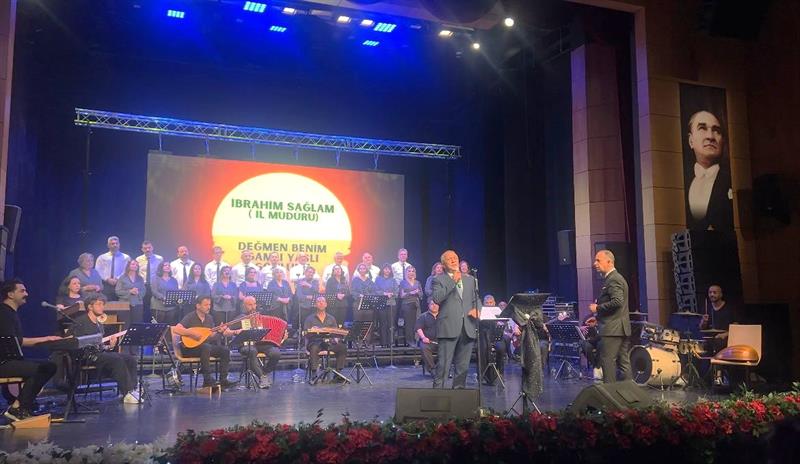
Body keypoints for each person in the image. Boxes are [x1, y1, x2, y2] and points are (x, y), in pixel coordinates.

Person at [0, 279, 60, 421]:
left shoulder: (10, 312)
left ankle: (20, 406)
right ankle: (18, 407)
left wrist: (47, 339)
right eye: (22, 291)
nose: (26, 294)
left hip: (9, 362)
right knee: (42, 369)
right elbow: (15, 341)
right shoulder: (4, 313)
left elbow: (18, 340)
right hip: (3, 363)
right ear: (10, 294)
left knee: (48, 366)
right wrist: (46, 339)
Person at [69, 293, 141, 404]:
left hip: (99, 354)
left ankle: (134, 389)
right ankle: (127, 392)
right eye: (99, 304)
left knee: (130, 358)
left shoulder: (99, 324)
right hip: (86, 356)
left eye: (103, 304)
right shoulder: (80, 322)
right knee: (116, 359)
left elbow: (100, 346)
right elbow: (75, 343)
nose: (102, 307)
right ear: (90, 307)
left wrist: (110, 346)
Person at [431, 250, 479, 389]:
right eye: (449, 259)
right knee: (443, 366)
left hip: (467, 326)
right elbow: (437, 298)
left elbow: (476, 299)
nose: (453, 260)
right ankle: (437, 395)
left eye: (455, 258)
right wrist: (453, 281)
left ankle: (458, 394)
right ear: (443, 264)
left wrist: (477, 309)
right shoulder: (438, 279)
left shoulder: (470, 279)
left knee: (463, 367)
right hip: (448, 327)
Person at [172, 296, 236, 389]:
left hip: (205, 348)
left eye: (209, 305)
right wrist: (191, 333)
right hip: (190, 349)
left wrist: (220, 332)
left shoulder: (209, 318)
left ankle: (223, 380)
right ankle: (207, 380)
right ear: (198, 306)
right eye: (206, 305)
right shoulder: (190, 317)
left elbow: (211, 336)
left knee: (225, 350)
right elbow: (176, 329)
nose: (208, 307)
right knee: (206, 347)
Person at [685, 110, 733, 231]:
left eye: (716, 131)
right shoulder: (679, 183)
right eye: (702, 128)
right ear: (691, 141)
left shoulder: (732, 180)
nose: (710, 136)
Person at [589, 249, 631, 383]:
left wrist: (597, 308)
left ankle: (610, 394)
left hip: (612, 330)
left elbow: (617, 302)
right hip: (620, 328)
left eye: (598, 260)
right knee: (623, 363)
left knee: (608, 362)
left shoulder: (613, 279)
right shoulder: (615, 278)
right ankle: (628, 393)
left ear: (609, 262)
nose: (595, 263)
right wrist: (597, 318)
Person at [231, 296, 284, 389]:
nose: (253, 307)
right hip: (246, 345)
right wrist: (237, 331)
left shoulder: (261, 317)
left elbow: (271, 332)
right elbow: (227, 331)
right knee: (252, 351)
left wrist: (283, 335)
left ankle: (264, 373)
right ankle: (262, 377)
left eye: (254, 304)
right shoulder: (240, 318)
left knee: (276, 353)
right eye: (250, 305)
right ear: (244, 306)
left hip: (262, 344)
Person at [303, 296, 347, 377]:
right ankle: (314, 373)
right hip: (315, 342)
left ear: (326, 304)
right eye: (318, 301)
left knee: (342, 347)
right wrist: (312, 330)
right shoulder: (310, 319)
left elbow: (335, 332)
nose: (321, 303)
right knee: (314, 348)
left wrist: (336, 339)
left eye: (323, 301)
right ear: (315, 304)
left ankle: (338, 373)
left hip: (329, 343)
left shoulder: (331, 318)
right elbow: (305, 333)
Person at [478, 294, 507, 385]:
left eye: (491, 302)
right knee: (484, 349)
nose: (489, 304)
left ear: (494, 303)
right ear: (483, 303)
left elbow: (504, 325)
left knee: (501, 348)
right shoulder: (481, 312)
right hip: (484, 337)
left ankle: (499, 371)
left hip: (497, 338)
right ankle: (484, 374)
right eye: (487, 303)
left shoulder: (498, 311)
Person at [699, 284, 735, 355]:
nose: (712, 294)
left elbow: (736, 327)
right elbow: (702, 328)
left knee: (719, 343)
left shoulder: (729, 308)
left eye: (714, 292)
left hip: (726, 340)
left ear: (721, 294)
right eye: (710, 292)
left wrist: (725, 334)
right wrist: (704, 322)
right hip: (710, 340)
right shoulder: (706, 308)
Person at [95, 236, 131, 301]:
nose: (115, 245)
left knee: (121, 304)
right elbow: (98, 271)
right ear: (108, 245)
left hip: (121, 284)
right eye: (112, 244)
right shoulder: (101, 257)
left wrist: (117, 279)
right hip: (106, 284)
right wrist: (107, 279)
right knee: (106, 303)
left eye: (117, 243)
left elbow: (126, 270)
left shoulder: (126, 257)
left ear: (119, 244)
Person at [134, 241, 162, 320]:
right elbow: (136, 273)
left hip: (154, 286)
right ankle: (144, 323)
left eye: (149, 248)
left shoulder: (159, 259)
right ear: (142, 249)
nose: (147, 250)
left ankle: (153, 323)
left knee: (154, 306)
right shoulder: (138, 259)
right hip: (143, 286)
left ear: (152, 248)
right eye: (145, 248)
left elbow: (160, 273)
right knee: (144, 306)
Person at [374, 264, 398, 347]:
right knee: (383, 323)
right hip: (381, 303)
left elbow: (397, 291)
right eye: (385, 269)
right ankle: (383, 343)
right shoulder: (378, 279)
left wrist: (392, 294)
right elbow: (375, 290)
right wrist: (384, 293)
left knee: (391, 324)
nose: (387, 270)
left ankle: (390, 342)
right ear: (382, 270)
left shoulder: (393, 280)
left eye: (389, 269)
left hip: (391, 303)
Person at [115, 259, 146, 325]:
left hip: (138, 304)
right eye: (133, 264)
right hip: (124, 304)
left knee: (137, 324)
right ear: (128, 266)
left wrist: (138, 293)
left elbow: (143, 290)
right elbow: (117, 291)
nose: (135, 266)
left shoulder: (140, 278)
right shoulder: (122, 278)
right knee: (125, 325)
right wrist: (129, 291)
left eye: (136, 265)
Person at [398, 265, 423, 347]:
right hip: (407, 305)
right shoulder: (403, 282)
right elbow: (401, 295)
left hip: (416, 304)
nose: (411, 272)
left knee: (417, 323)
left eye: (412, 271)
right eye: (409, 271)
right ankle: (410, 341)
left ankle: (416, 340)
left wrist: (418, 292)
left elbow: (421, 295)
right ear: (406, 272)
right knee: (409, 324)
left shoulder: (417, 282)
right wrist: (410, 293)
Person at [415, 300, 439, 376]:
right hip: (428, 341)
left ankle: (443, 369)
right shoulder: (423, 316)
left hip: (441, 341)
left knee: (448, 347)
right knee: (424, 347)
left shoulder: (443, 316)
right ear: (428, 305)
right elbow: (418, 328)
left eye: (436, 304)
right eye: (432, 304)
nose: (434, 306)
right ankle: (432, 369)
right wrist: (423, 337)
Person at [579, 314, 601, 380]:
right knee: (585, 345)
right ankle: (595, 366)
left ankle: (598, 366)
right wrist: (581, 328)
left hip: (599, 340)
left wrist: (596, 324)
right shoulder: (588, 317)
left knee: (601, 345)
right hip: (589, 341)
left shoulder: (602, 316)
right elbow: (583, 327)